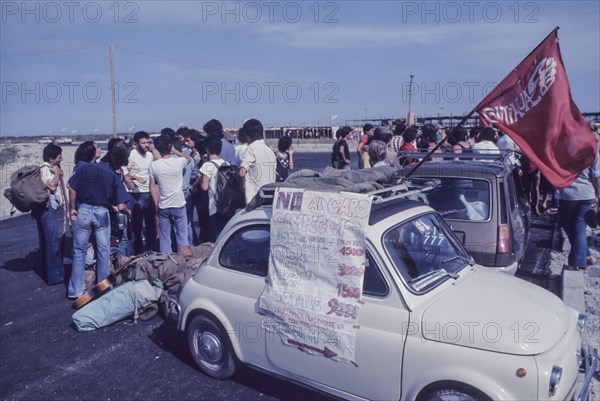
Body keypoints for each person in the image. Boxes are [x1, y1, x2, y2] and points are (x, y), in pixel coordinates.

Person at [67, 153, 131, 299]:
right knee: (103, 250)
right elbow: (121, 205)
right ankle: (103, 288)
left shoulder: (85, 168)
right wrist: (129, 212)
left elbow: (71, 187)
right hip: (101, 212)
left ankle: (75, 290)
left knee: (79, 251)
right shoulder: (112, 174)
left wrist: (72, 208)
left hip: (83, 210)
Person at [149, 135, 192, 254]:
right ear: (170, 147)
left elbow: (152, 188)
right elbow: (188, 158)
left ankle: (166, 261)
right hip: (178, 202)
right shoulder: (178, 162)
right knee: (182, 236)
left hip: (163, 204)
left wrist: (156, 204)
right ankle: (185, 260)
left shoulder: (154, 165)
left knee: (165, 237)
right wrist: (176, 151)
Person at [559, 152, 600, 270]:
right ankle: (587, 255)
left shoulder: (564, 146)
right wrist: (598, 194)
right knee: (578, 227)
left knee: (571, 226)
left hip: (568, 194)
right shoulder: (592, 148)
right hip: (587, 193)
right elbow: (597, 175)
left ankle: (575, 263)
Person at [32, 144, 66, 285]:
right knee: (52, 242)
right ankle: (54, 275)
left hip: (42, 208)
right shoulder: (46, 169)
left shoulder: (47, 168)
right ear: (51, 159)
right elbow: (51, 187)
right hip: (47, 208)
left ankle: (47, 270)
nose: (61, 159)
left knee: (46, 240)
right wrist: (57, 174)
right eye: (59, 157)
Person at [127, 131, 159, 253]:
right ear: (136, 143)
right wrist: (136, 178)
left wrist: (153, 148)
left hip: (149, 192)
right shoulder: (132, 155)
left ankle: (151, 249)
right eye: (143, 142)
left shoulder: (150, 155)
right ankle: (138, 250)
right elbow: (126, 172)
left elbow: (158, 160)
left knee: (151, 223)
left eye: (148, 142)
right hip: (137, 194)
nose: (146, 145)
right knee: (137, 225)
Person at [239, 119, 277, 203]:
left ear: (247, 135)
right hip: (269, 196)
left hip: (254, 198)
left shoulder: (251, 148)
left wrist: (242, 188)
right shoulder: (270, 151)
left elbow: (242, 172)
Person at [200, 139, 228, 239]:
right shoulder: (226, 163)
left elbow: (204, 187)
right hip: (226, 203)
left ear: (207, 149)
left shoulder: (207, 165)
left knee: (217, 232)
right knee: (225, 231)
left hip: (214, 204)